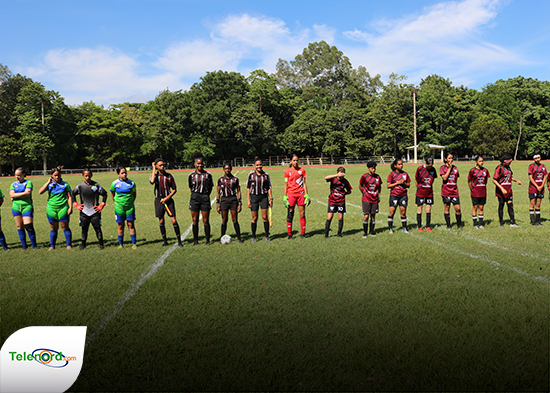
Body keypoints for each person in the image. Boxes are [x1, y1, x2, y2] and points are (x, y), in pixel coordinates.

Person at [150, 159, 183, 247]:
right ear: (156, 166)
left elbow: (174, 189)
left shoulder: (169, 176)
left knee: (173, 220)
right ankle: (165, 241)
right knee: (161, 220)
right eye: (160, 165)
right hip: (158, 200)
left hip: (168, 201)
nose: (162, 166)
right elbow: (152, 181)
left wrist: (167, 198)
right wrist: (153, 169)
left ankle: (179, 241)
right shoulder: (155, 175)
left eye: (163, 165)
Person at [72, 168, 107, 250]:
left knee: (97, 228)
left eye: (89, 175)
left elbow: (105, 194)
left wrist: (102, 205)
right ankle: (83, 245)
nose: (87, 177)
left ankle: (101, 245)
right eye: (86, 175)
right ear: (83, 176)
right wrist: (76, 204)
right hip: (84, 212)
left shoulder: (96, 185)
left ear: (92, 175)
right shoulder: (80, 186)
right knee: (84, 229)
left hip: (95, 212)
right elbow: (72, 194)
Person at [38, 168, 73, 250]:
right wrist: (48, 182)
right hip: (51, 209)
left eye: (58, 175)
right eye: (55, 175)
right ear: (52, 176)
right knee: (53, 228)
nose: (57, 177)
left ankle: (69, 245)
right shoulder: (49, 185)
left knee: (65, 227)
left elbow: (69, 197)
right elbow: (40, 192)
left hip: (63, 208)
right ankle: (52, 246)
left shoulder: (65, 184)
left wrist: (70, 207)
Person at [188, 152, 214, 245]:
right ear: (195, 164)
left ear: (203, 164)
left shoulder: (208, 175)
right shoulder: (191, 176)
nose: (200, 165)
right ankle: (196, 241)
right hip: (195, 198)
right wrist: (195, 195)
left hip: (205, 198)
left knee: (205, 220)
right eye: (198, 163)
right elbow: (191, 187)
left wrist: (206, 195)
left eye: (201, 163)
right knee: (194, 220)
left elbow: (211, 187)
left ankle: (207, 240)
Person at [10, 168, 38, 250]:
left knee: (28, 225)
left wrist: (16, 195)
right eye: (15, 175)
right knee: (19, 226)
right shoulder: (13, 184)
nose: (17, 177)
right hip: (16, 207)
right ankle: (24, 246)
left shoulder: (28, 182)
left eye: (19, 175)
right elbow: (12, 195)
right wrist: (22, 194)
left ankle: (34, 245)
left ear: (23, 175)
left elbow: (28, 193)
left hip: (27, 206)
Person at [283, 154, 310, 239]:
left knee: (302, 214)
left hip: (300, 194)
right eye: (294, 160)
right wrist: (284, 197)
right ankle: (289, 234)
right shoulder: (287, 171)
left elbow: (304, 183)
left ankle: (303, 234)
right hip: (291, 195)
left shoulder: (302, 170)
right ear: (290, 161)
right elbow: (285, 184)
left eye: (297, 160)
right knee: (290, 214)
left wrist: (307, 195)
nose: (295, 162)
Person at [246, 159, 273, 242]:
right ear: (254, 166)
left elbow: (269, 187)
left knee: (265, 217)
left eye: (260, 165)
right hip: (254, 197)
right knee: (254, 218)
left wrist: (271, 198)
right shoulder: (251, 175)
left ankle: (267, 235)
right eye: (257, 165)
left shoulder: (266, 175)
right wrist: (248, 200)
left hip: (264, 197)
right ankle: (254, 236)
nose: (259, 166)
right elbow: (248, 188)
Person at [110, 167, 137, 248]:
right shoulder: (114, 183)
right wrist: (117, 202)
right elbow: (112, 194)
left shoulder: (132, 183)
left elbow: (134, 194)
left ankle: (134, 244)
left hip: (130, 208)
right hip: (119, 208)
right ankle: (120, 244)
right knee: (120, 225)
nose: (124, 174)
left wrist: (130, 202)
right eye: (122, 173)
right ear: (118, 174)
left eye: (125, 172)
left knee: (131, 224)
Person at [216, 163, 243, 243]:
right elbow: (218, 192)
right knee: (224, 220)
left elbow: (238, 191)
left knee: (235, 220)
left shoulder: (235, 179)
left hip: (233, 200)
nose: (227, 170)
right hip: (224, 200)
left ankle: (239, 238)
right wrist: (218, 204)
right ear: (223, 169)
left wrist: (240, 203)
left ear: (231, 169)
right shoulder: (220, 179)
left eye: (228, 168)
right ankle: (222, 237)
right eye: (225, 168)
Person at [493, 153, 522, 227]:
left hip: (509, 190)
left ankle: (513, 222)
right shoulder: (499, 168)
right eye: (509, 161)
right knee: (501, 206)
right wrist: (502, 188)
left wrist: (516, 180)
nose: (510, 163)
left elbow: (509, 177)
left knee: (510, 206)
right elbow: (494, 180)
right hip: (501, 191)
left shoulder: (508, 168)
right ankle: (501, 223)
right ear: (504, 162)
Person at [324, 167, 352, 238]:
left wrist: (343, 194)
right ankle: (326, 235)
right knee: (329, 217)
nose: (342, 175)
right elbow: (326, 178)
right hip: (332, 201)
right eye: (340, 173)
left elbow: (349, 191)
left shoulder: (345, 181)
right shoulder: (333, 179)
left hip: (341, 201)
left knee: (340, 217)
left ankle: (339, 234)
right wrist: (336, 175)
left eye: (343, 173)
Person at [387, 159, 411, 234]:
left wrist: (404, 183)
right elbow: (388, 185)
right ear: (395, 166)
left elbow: (408, 185)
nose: (401, 166)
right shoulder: (392, 174)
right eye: (399, 164)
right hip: (394, 195)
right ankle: (390, 229)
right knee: (391, 212)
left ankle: (404, 228)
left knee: (403, 213)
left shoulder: (405, 174)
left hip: (403, 195)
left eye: (402, 164)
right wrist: (397, 183)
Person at [359, 161, 382, 238]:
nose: (374, 170)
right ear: (368, 168)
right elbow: (360, 185)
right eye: (372, 168)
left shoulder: (378, 177)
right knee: (366, 216)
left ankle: (371, 232)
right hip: (366, 199)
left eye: (374, 168)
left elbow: (379, 187)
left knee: (373, 216)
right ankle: (365, 233)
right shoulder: (364, 176)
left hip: (374, 199)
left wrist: (379, 195)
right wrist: (364, 192)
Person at [415, 157, 437, 233]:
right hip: (420, 192)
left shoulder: (433, 170)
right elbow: (416, 179)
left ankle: (428, 226)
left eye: (431, 165)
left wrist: (429, 186)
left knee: (428, 210)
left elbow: (433, 179)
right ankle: (419, 227)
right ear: (425, 163)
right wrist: (418, 187)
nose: (430, 167)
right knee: (420, 210)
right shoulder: (420, 169)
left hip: (429, 193)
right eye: (429, 166)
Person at [467, 156, 490, 229]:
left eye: (482, 161)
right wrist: (472, 189)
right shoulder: (472, 170)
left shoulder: (485, 170)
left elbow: (486, 180)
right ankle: (475, 224)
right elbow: (469, 181)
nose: (481, 162)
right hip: (475, 192)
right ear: (476, 162)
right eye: (480, 161)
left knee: (481, 207)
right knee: (475, 207)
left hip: (483, 192)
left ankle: (480, 224)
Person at [440, 153, 462, 229]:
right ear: (445, 159)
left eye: (452, 158)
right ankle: (448, 226)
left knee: (458, 208)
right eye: (449, 158)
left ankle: (459, 225)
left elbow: (456, 178)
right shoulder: (442, 168)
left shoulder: (456, 168)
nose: (451, 160)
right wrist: (449, 168)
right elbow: (444, 178)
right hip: (446, 191)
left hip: (454, 191)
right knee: (447, 208)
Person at [527, 154, 547, 226]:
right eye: (536, 158)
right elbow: (530, 177)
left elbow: (545, 176)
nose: (537, 159)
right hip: (533, 188)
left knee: (538, 205)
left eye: (538, 158)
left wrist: (542, 186)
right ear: (533, 159)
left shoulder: (543, 166)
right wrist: (537, 186)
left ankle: (538, 221)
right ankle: (533, 221)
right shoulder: (531, 166)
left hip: (541, 188)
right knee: (532, 205)